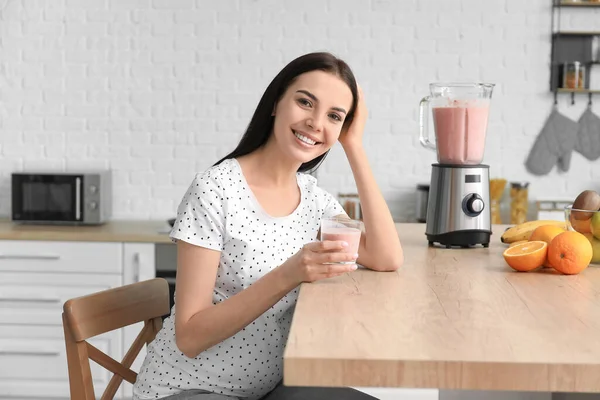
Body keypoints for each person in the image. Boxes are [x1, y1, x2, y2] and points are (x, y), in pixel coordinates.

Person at [132, 52, 404, 400]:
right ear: (276, 102)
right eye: (305, 102)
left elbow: (386, 256)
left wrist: (354, 145)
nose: (316, 123)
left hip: (268, 387)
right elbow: (189, 336)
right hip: (190, 389)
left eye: (334, 116)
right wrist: (290, 273)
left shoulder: (314, 199)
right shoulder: (215, 189)